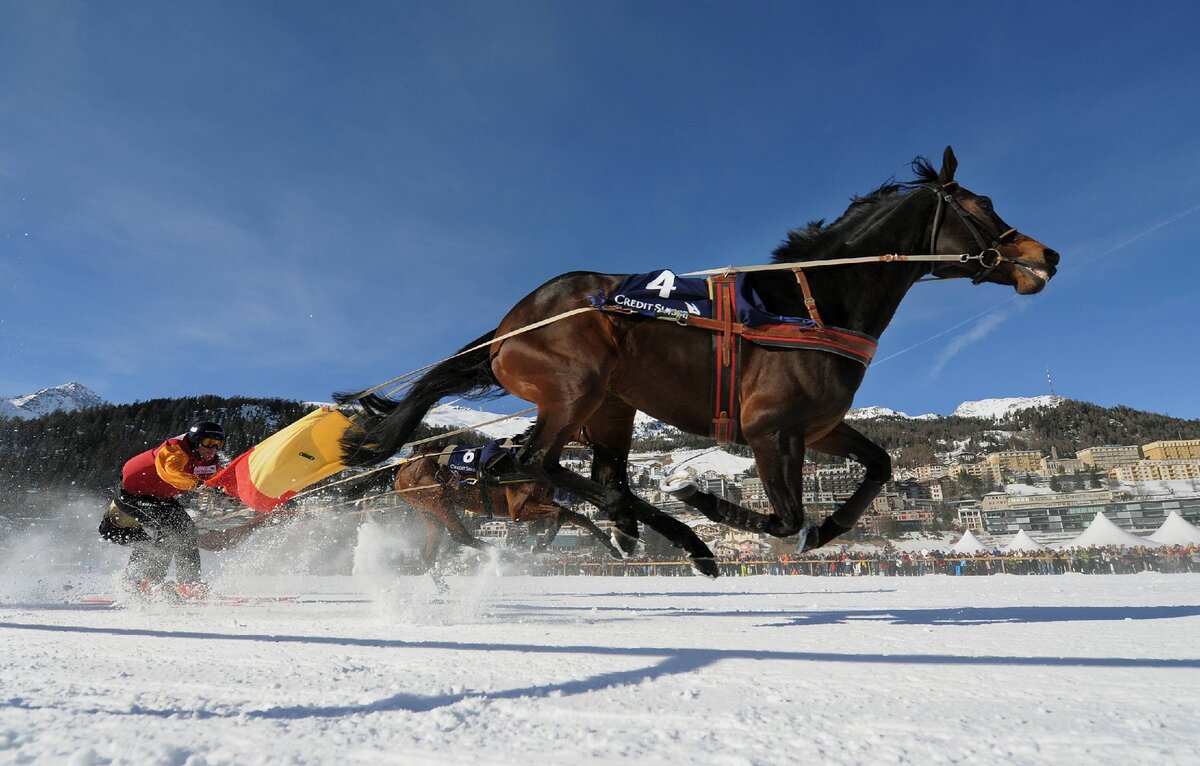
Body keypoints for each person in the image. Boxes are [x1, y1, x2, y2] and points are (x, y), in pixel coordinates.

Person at [98, 421, 225, 599]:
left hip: (159, 498)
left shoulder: (210, 462)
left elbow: (221, 479)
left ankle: (188, 583)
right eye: (209, 443)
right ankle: (146, 581)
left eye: (219, 444)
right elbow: (170, 473)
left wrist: (229, 491)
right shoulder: (175, 451)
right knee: (171, 531)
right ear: (196, 441)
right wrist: (198, 484)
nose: (213, 449)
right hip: (133, 496)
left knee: (186, 530)